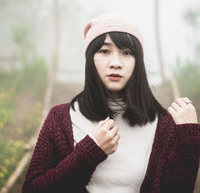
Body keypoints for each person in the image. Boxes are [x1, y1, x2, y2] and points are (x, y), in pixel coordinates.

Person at [22, 13, 200, 193]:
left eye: (127, 53)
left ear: (138, 62)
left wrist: (189, 137)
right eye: (105, 51)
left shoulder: (162, 123)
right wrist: (89, 152)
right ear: (90, 59)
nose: (116, 63)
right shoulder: (60, 119)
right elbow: (32, 189)